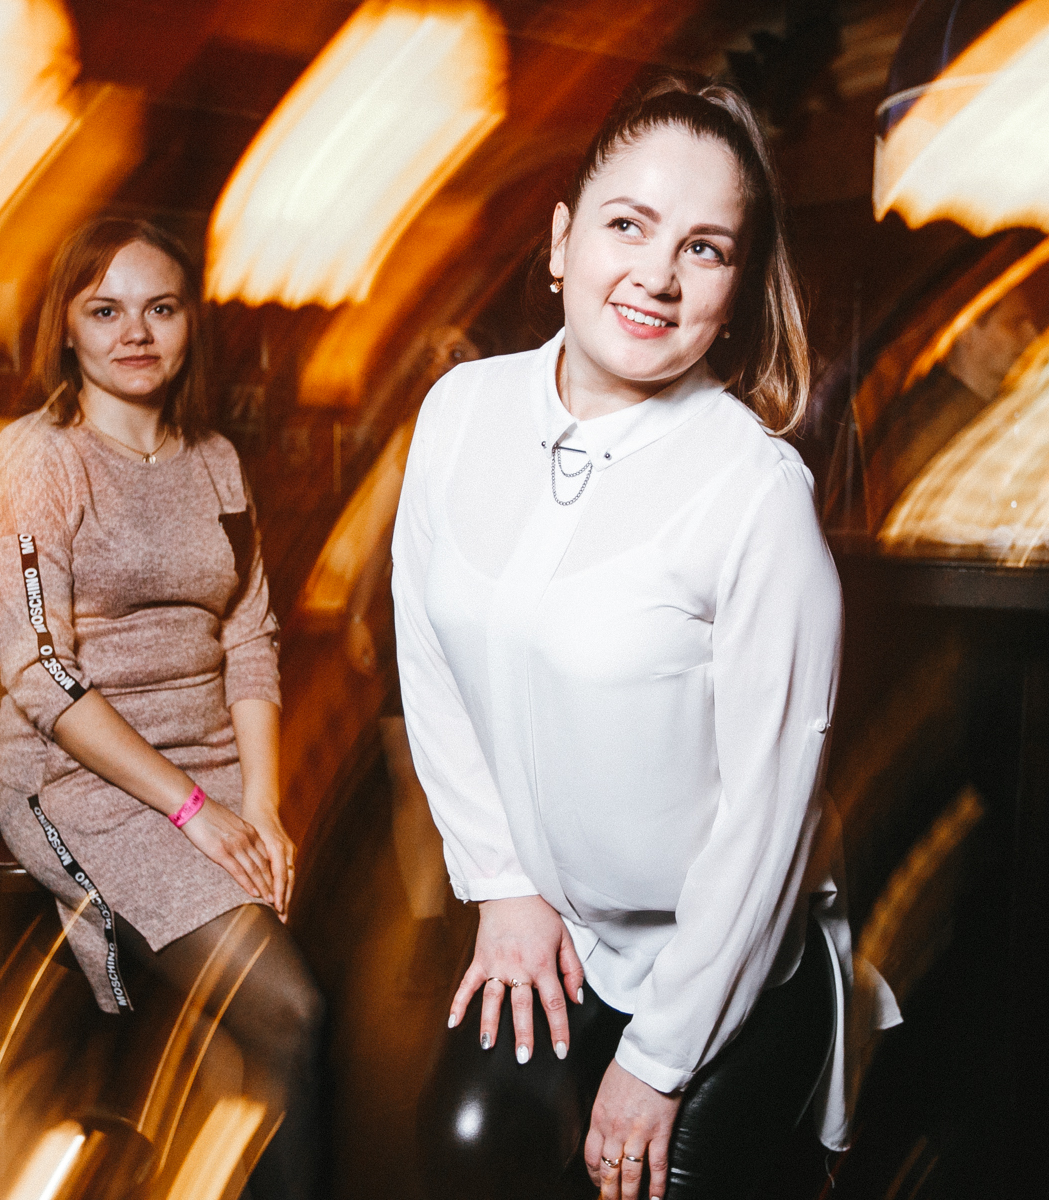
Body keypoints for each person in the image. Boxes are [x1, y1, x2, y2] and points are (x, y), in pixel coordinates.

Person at [397, 74, 899, 1200]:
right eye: (628, 225)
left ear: (736, 290)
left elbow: (768, 822)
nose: (659, 276)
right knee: (463, 1146)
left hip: (721, 970)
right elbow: (427, 656)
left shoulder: (755, 493)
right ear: (562, 241)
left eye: (703, 248)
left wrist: (659, 1060)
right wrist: (502, 883)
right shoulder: (461, 413)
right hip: (554, 935)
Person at [0, 217, 323, 1198]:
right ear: (65, 327)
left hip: (213, 772)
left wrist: (262, 807)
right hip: (85, 782)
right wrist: (194, 812)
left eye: (160, 308)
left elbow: (249, 638)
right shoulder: (37, 461)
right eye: (105, 310)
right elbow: (39, 674)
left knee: (242, 1049)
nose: (135, 333)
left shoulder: (215, 460)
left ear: (190, 322)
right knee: (290, 1012)